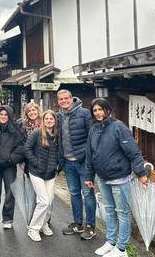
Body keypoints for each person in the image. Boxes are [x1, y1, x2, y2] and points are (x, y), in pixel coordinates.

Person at [84, 98, 148, 257]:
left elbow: (133, 151)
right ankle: (110, 241)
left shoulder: (118, 127)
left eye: (100, 109)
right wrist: (89, 175)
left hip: (120, 178)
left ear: (107, 110)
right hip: (102, 178)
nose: (98, 113)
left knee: (123, 213)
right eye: (95, 110)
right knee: (109, 210)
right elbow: (89, 154)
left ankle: (121, 248)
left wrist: (141, 173)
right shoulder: (93, 129)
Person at [57, 89, 96, 240]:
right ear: (58, 101)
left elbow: (92, 136)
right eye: (61, 99)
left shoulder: (84, 113)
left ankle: (90, 226)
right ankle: (78, 223)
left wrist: (89, 160)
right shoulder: (59, 115)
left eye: (66, 98)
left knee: (87, 194)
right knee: (74, 193)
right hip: (67, 162)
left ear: (72, 98)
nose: (64, 101)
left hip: (83, 162)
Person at [0, 105, 24, 229]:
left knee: (10, 193)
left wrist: (12, 159)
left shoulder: (16, 130)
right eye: (1, 114)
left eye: (6, 115)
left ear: (10, 116)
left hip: (9, 166)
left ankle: (7, 219)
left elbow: (21, 147)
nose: (3, 117)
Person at [24, 110, 59, 242]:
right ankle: (33, 229)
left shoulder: (57, 135)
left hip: (50, 173)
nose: (49, 121)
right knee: (43, 201)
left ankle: (43, 224)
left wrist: (58, 167)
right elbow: (27, 149)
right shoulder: (37, 133)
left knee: (49, 202)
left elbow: (60, 153)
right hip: (37, 172)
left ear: (55, 121)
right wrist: (35, 162)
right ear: (43, 121)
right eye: (47, 119)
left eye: (51, 118)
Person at [18, 102, 41, 170]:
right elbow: (20, 144)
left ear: (38, 110)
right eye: (29, 111)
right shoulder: (22, 125)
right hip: (28, 159)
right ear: (26, 113)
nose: (31, 112)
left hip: (42, 157)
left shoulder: (44, 123)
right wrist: (21, 160)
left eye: (33, 110)